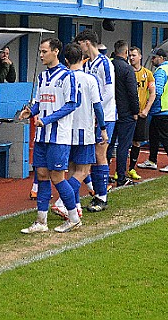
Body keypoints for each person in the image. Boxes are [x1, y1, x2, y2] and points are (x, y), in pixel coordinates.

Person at [19, 38, 80, 233]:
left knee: (57, 177)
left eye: (44, 51)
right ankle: (41, 221)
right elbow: (39, 102)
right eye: (40, 51)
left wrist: (47, 120)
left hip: (59, 137)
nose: (41, 55)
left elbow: (72, 104)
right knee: (42, 175)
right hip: (41, 136)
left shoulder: (67, 76)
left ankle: (73, 217)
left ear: (55, 51)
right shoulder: (42, 77)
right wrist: (31, 111)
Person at [51, 43, 107, 220]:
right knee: (83, 171)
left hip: (66, 131)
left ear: (65, 60)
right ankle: (61, 202)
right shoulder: (90, 79)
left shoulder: (62, 78)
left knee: (73, 169)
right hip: (84, 130)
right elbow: (97, 106)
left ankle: (74, 207)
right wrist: (103, 128)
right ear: (82, 58)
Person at [74, 29, 116, 212]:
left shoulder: (105, 64)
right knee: (90, 156)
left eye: (80, 44)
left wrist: (94, 110)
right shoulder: (87, 64)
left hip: (105, 116)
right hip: (91, 118)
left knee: (100, 155)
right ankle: (96, 193)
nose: (79, 48)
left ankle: (102, 196)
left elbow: (108, 91)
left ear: (87, 43)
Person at [138, 48, 168, 172]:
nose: (152, 60)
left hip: (162, 109)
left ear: (161, 58)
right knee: (154, 135)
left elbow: (157, 91)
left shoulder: (160, 71)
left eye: (154, 57)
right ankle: (152, 160)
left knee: (164, 136)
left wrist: (148, 106)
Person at [106, 40, 139, 187]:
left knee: (108, 144)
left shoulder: (109, 66)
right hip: (125, 112)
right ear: (125, 53)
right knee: (123, 146)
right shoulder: (127, 69)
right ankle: (120, 176)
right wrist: (135, 111)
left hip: (109, 111)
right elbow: (133, 93)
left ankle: (104, 175)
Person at [127, 46, 155, 179]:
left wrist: (146, 110)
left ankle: (131, 168)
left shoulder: (148, 74)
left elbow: (153, 93)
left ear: (140, 56)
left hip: (141, 114)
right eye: (130, 55)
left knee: (137, 142)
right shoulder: (126, 72)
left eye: (133, 55)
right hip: (127, 114)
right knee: (124, 142)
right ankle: (118, 170)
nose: (131, 58)